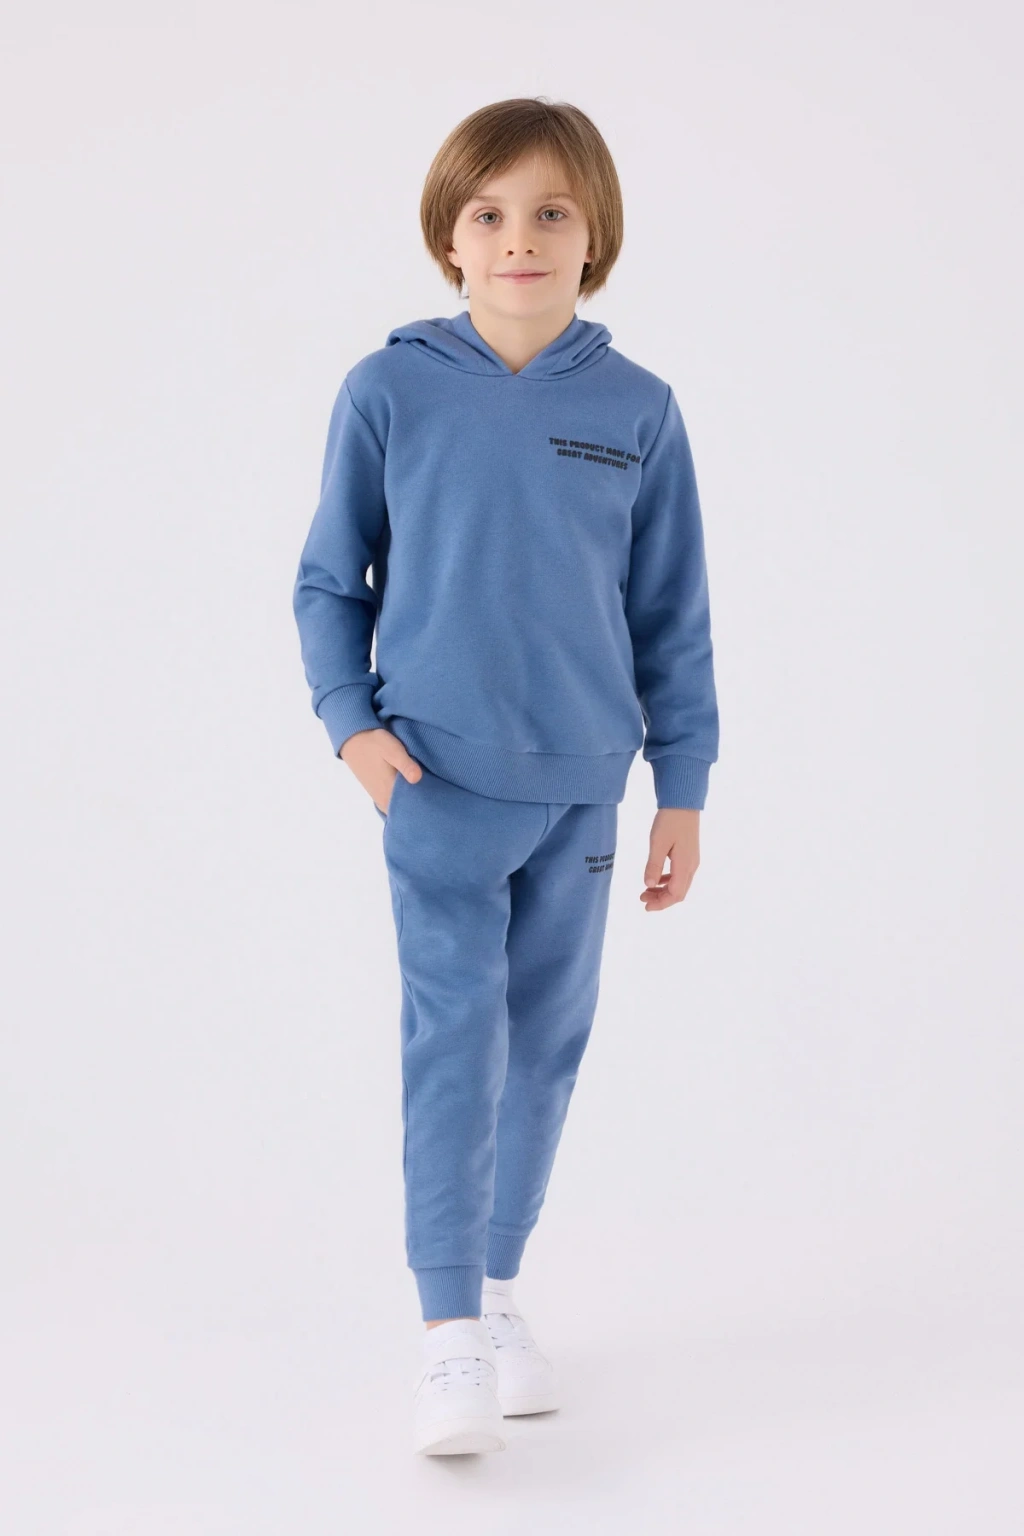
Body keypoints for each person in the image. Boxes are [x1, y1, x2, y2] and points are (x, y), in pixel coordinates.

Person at [292, 96, 720, 1457]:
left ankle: (494, 1290)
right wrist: (354, 731)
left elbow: (673, 616)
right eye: (488, 214)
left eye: (549, 212)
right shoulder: (391, 391)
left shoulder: (639, 410)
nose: (518, 237)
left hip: (584, 793)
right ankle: (444, 1335)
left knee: (545, 1045)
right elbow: (328, 580)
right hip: (435, 785)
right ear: (449, 239)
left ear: (595, 237)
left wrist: (684, 786)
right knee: (454, 1041)